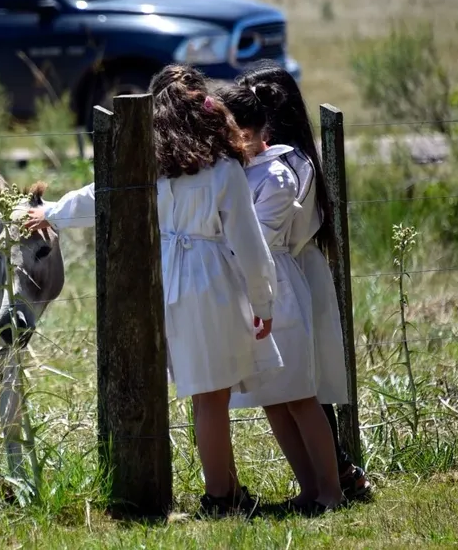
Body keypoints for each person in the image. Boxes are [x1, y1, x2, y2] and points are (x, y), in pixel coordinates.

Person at [26, 64, 283, 518]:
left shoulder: (147, 167)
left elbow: (95, 194)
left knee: (196, 393)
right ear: (207, 112)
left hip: (159, 281)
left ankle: (226, 488)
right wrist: (263, 301)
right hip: (209, 281)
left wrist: (51, 211)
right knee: (211, 397)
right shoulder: (223, 170)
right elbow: (250, 245)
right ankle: (221, 497)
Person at [236, 60, 373, 502]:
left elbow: (267, 235)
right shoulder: (277, 163)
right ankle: (317, 483)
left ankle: (331, 482)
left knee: (302, 390)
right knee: (281, 392)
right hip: (280, 274)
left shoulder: (286, 167)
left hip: (290, 277)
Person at [217, 82, 345, 514]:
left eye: (235, 132)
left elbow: (258, 238)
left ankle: (331, 490)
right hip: (247, 288)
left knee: (300, 396)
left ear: (254, 131)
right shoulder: (235, 170)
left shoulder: (275, 174)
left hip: (277, 287)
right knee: (273, 398)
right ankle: (308, 488)